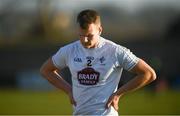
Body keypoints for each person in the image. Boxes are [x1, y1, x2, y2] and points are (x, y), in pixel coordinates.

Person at [40, 9, 156, 115]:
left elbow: (149, 74)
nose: (85, 40)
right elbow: (45, 70)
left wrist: (118, 94)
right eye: (81, 35)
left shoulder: (115, 51)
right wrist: (69, 90)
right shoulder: (69, 51)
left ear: (100, 30)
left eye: (89, 36)